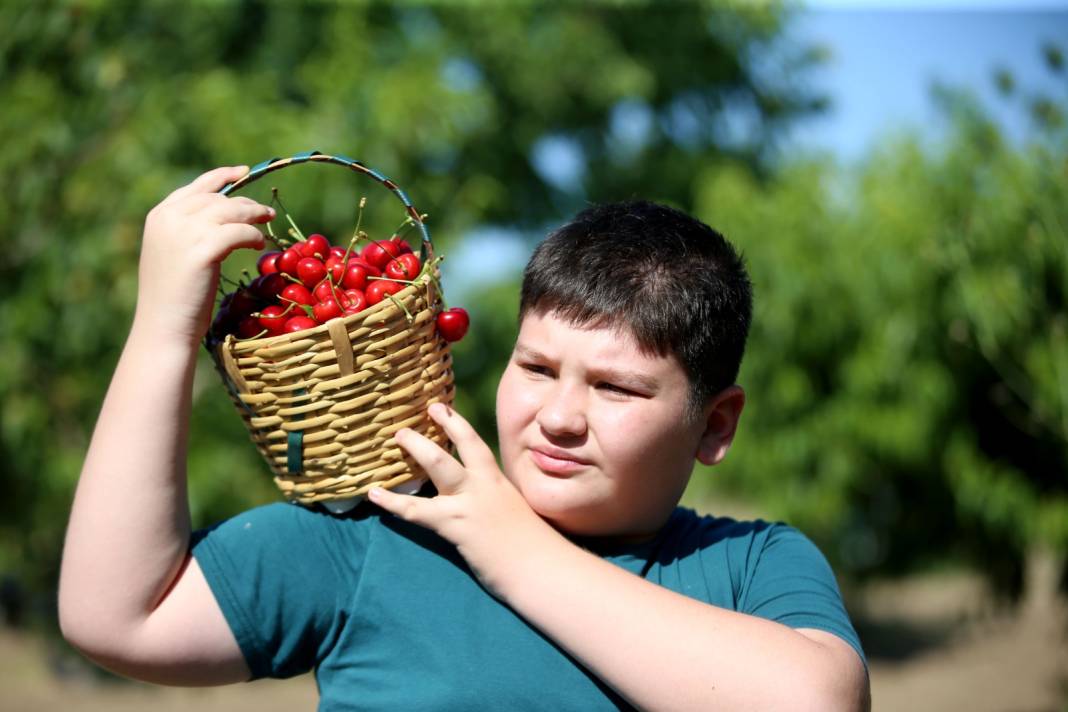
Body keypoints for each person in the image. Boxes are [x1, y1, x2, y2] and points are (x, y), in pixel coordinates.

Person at [59, 165, 871, 710]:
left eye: (618, 387)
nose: (559, 416)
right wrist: (164, 332)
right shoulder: (381, 535)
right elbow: (118, 617)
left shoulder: (749, 566)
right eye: (536, 368)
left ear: (715, 425)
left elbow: (812, 701)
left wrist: (515, 551)